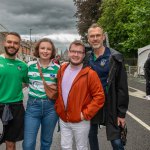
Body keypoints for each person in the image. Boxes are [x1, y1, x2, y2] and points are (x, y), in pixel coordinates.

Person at [55, 40, 105, 150]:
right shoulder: (62, 69)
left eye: (79, 52)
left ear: (83, 55)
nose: (76, 55)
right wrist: (59, 108)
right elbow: (59, 90)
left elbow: (99, 97)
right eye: (73, 51)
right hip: (63, 118)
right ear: (69, 52)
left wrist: (85, 114)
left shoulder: (90, 74)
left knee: (81, 147)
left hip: (80, 120)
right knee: (65, 146)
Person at [85, 23, 129, 150]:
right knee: (91, 135)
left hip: (111, 104)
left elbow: (122, 88)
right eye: (92, 36)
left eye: (98, 35)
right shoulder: (87, 58)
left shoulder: (115, 57)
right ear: (88, 39)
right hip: (92, 103)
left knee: (116, 141)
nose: (95, 38)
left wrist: (122, 114)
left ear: (103, 37)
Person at [23, 38, 59, 150]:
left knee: (46, 142)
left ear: (52, 51)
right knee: (28, 144)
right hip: (33, 107)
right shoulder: (29, 66)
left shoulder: (58, 69)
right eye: (42, 48)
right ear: (38, 50)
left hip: (51, 108)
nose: (45, 51)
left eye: (48, 49)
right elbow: (23, 83)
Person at [0, 32, 28, 150]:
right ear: (3, 43)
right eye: (9, 42)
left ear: (19, 46)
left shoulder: (23, 66)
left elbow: (27, 83)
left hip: (15, 106)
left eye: (15, 43)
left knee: (10, 143)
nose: (12, 45)